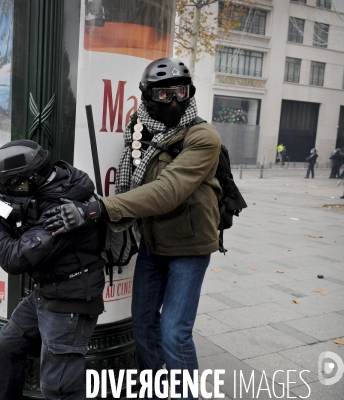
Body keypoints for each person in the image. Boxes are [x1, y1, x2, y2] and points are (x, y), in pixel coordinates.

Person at [43, 58, 221, 399]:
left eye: (180, 92)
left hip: (190, 246)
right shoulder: (139, 129)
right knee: (143, 325)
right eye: (164, 93)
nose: (173, 102)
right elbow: (132, 178)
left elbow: (168, 190)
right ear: (148, 96)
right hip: (153, 243)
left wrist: (100, 208)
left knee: (174, 333)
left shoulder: (203, 136)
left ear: (190, 93)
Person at [0, 140, 104, 400]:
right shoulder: (46, 189)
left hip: (70, 303)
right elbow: (18, 221)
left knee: (59, 388)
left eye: (6, 184)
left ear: (27, 180)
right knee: (8, 345)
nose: (2, 190)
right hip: (47, 292)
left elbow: (15, 258)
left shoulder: (62, 208)